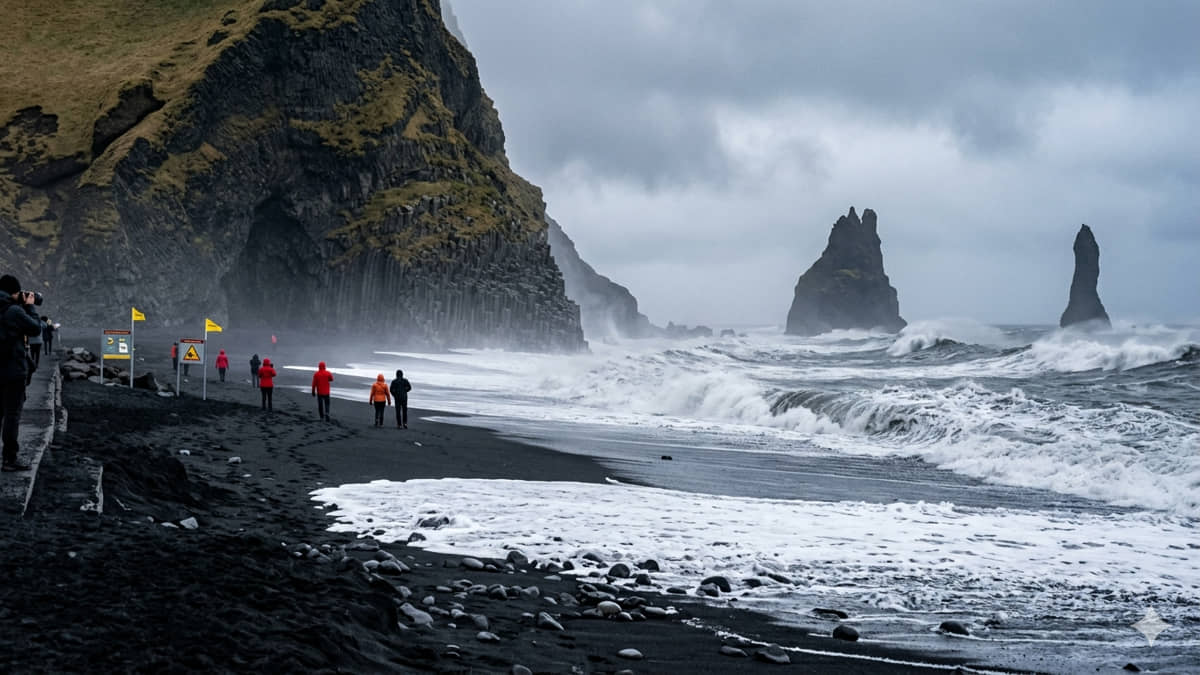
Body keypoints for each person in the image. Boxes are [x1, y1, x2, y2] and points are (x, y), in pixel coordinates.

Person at [1, 275, 44, 472]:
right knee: (11, 415)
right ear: (14, 292)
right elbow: (35, 329)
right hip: (12, 372)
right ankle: (9, 459)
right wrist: (30, 306)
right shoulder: (14, 311)